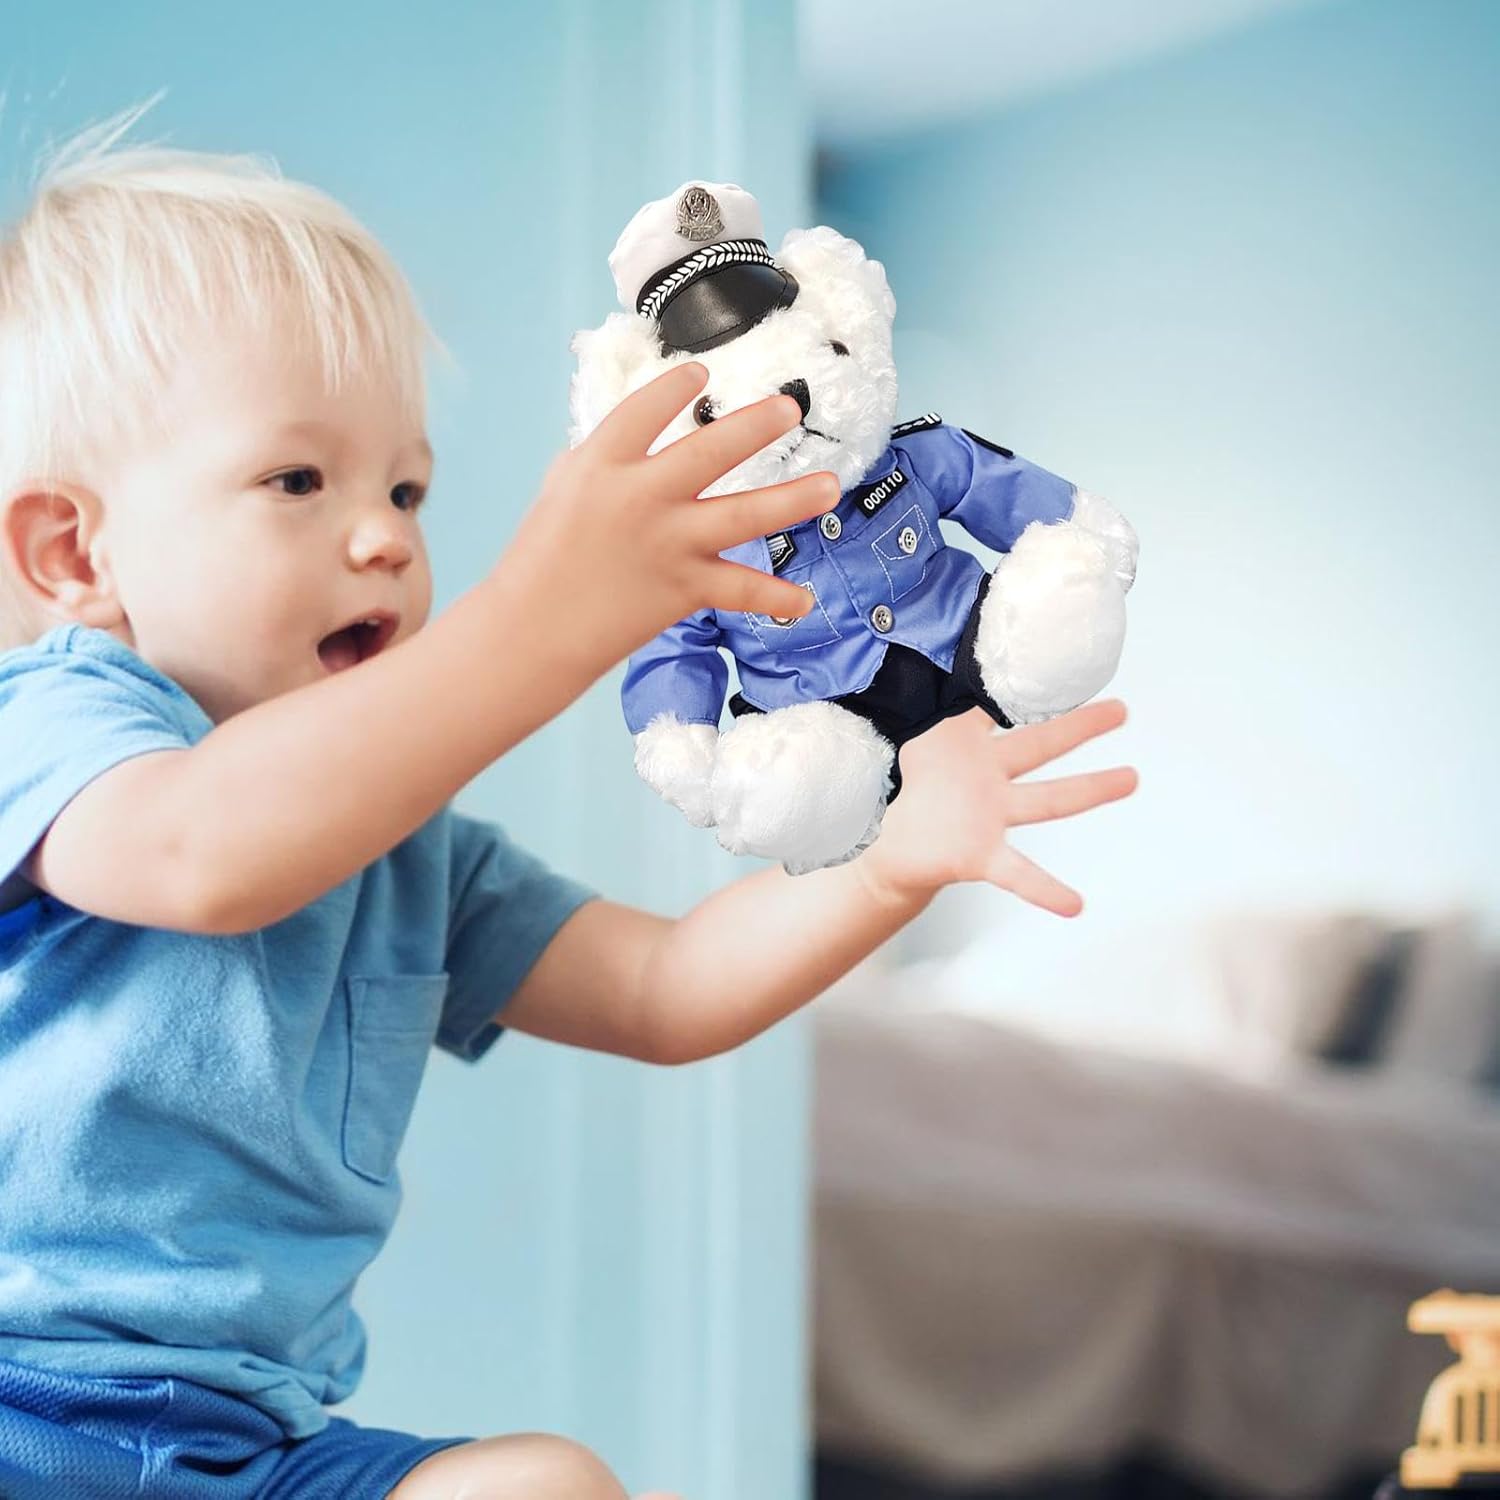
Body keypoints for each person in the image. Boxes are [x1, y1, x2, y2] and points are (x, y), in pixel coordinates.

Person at [0, 105, 1138, 1500]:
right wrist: (545, 614)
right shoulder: (53, 729)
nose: (386, 535)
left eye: (408, 488)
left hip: (257, 1442)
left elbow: (664, 990)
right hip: (22, 1406)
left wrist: (892, 865)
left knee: (547, 1482)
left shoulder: (404, 854)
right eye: (297, 479)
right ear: (73, 556)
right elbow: (201, 855)